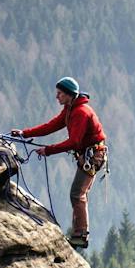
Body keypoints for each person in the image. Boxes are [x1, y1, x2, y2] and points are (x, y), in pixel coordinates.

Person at [16, 76, 108, 249]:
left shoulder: (80, 112)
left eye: (60, 93)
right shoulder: (70, 109)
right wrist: (24, 133)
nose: (57, 97)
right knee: (78, 193)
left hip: (92, 156)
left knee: (77, 193)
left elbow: (74, 142)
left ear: (69, 95)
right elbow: (50, 126)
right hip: (90, 154)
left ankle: (80, 235)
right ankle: (79, 233)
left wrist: (48, 150)